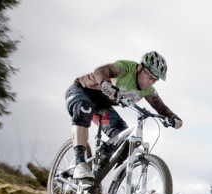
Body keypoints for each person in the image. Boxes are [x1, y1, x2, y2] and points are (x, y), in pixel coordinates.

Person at [64, 51, 183, 181]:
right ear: (140, 67)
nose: (150, 82)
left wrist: (173, 117)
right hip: (82, 91)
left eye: (154, 79)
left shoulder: (148, 90)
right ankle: (80, 164)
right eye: (149, 76)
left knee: (124, 140)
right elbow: (100, 71)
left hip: (101, 105)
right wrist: (104, 83)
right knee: (84, 109)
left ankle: (95, 176)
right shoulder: (125, 68)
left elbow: (160, 106)